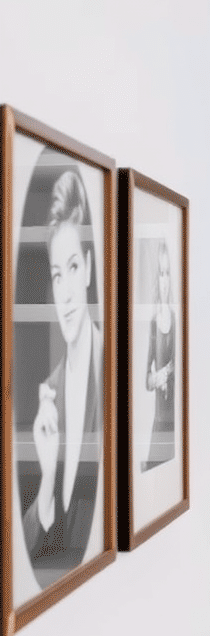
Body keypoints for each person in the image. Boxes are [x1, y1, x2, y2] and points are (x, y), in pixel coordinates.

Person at [22, 168, 102, 579]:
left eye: (72, 268)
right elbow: (33, 548)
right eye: (57, 275)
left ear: (88, 268)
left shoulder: (111, 368)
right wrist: (49, 472)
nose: (66, 292)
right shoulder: (49, 392)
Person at [143, 240, 175, 469]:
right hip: (159, 420)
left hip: (176, 420)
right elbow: (147, 380)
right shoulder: (153, 323)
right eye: (161, 273)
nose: (164, 281)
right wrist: (162, 374)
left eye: (168, 273)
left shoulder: (176, 319)